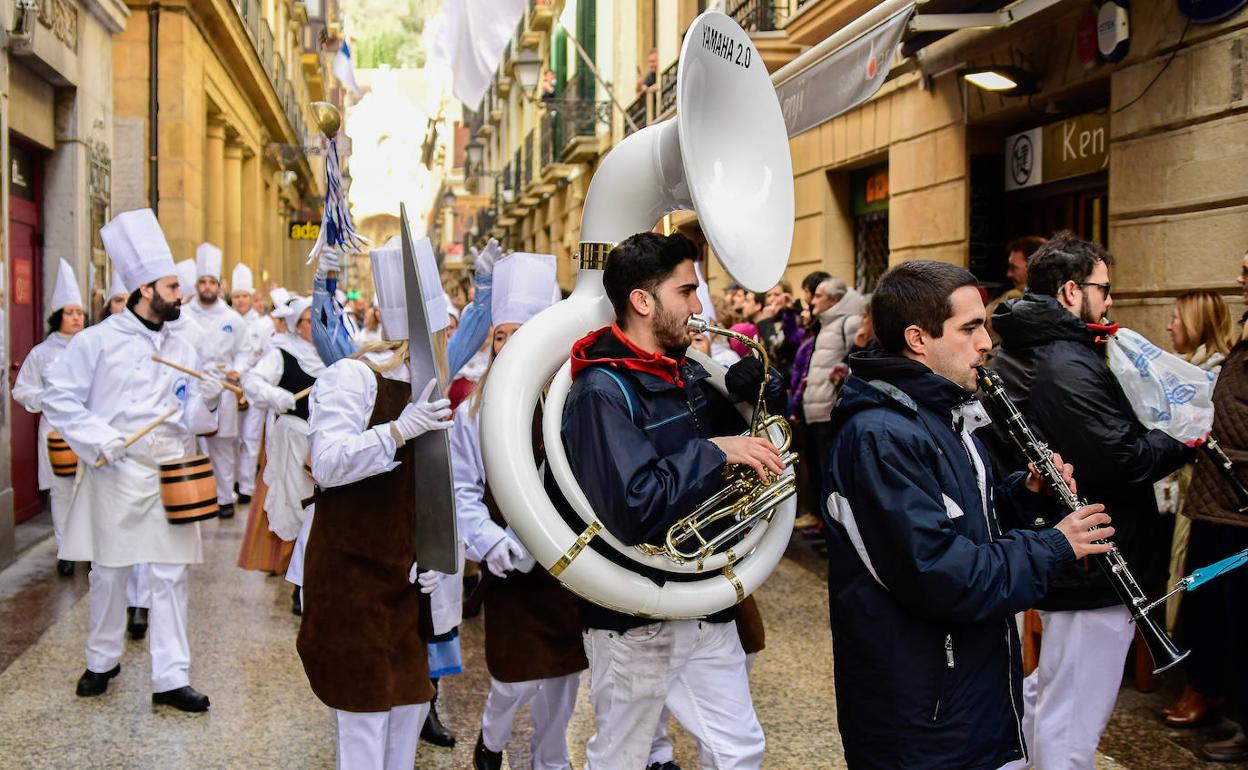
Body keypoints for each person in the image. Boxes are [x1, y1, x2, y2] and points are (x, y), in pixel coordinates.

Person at [823, 259, 1113, 769]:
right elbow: (940, 573)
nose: (986, 343)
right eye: (971, 328)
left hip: (960, 695)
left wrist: (1025, 493)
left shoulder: (939, 413)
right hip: (923, 712)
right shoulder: (883, 435)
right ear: (918, 338)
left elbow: (959, 517)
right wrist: (1054, 545)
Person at [561, 232, 783, 770]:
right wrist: (715, 450)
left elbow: (738, 458)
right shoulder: (600, 391)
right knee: (623, 758)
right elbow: (635, 507)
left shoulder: (684, 370)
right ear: (642, 301)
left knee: (739, 750)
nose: (699, 305)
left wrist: (749, 401)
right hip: (637, 614)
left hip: (703, 597)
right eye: (686, 291)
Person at [992, 232, 1193, 770]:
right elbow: (1121, 458)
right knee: (1073, 721)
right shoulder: (1064, 360)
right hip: (1096, 559)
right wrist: (1182, 435)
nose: (1110, 301)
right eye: (1103, 289)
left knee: (1052, 695)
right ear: (1069, 292)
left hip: (1084, 555)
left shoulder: (1056, 351)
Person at [42, 208, 220, 712]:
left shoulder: (182, 342)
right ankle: (101, 660)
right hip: (115, 469)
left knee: (170, 575)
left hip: (170, 469)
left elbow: (192, 420)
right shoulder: (98, 340)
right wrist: (100, 439)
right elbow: (59, 398)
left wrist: (206, 398)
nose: (180, 294)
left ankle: (170, 677)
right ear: (145, 290)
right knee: (110, 572)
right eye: (171, 286)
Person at [297, 238, 455, 770]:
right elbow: (327, 463)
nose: (449, 343)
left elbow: (425, 494)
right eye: (444, 332)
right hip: (348, 579)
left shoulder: (428, 391)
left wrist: (430, 558)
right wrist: (396, 433)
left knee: (410, 707)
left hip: (401, 586)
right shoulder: (353, 378)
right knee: (363, 723)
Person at [453, 253, 585, 770]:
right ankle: (492, 738)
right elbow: (465, 488)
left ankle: (551, 758)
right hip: (510, 558)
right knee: (513, 676)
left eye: (520, 333)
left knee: (564, 674)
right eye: (500, 335)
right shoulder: (474, 408)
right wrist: (490, 542)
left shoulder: (575, 397)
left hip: (568, 558)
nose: (508, 345)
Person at [1166, 258, 1248, 759]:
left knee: (1237, 613)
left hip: (1237, 505)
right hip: (1219, 506)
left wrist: (1211, 439)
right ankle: (1219, 696)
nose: (1241, 277)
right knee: (1212, 606)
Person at [238, 297, 325, 601]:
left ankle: (318, 576)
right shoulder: (282, 353)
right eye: (310, 321)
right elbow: (252, 381)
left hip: (326, 442)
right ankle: (299, 581)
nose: (317, 326)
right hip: (294, 442)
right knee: (297, 507)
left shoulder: (335, 355)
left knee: (323, 513)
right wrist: (276, 396)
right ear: (295, 324)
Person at [13, 259, 88, 576]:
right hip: (55, 430)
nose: (75, 318)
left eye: (79, 313)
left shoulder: (92, 347)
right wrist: (45, 400)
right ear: (58, 316)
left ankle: (89, 548)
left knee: (89, 490)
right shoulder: (42, 353)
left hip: (87, 429)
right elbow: (22, 389)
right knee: (61, 491)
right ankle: (65, 549)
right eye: (70, 313)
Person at [182, 243, 250, 518]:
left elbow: (244, 350)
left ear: (220, 285)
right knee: (190, 443)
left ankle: (224, 500)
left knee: (223, 446)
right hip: (193, 387)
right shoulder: (184, 317)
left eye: (212, 282)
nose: (207, 286)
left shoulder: (232, 319)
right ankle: (196, 496)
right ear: (197, 285)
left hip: (223, 388)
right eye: (202, 282)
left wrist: (238, 369)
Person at [802, 277, 866, 519]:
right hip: (815, 407)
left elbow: (856, 358)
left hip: (829, 408)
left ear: (835, 299)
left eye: (819, 296)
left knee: (830, 471)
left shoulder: (848, 323)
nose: (813, 300)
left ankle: (828, 524)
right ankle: (820, 521)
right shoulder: (826, 324)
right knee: (818, 469)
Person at [232, 263, 263, 504]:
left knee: (250, 438)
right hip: (230, 390)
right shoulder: (227, 321)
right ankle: (231, 482)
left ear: (251, 298)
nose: (240, 301)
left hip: (253, 389)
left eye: (244, 296)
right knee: (231, 438)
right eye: (236, 296)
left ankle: (246, 486)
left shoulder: (262, 325)